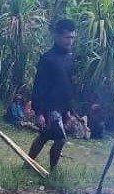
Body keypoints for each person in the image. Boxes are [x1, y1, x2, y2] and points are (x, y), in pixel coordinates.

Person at [28, 19, 76, 169]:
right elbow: (39, 87)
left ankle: (27, 164)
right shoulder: (48, 59)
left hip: (62, 107)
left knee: (44, 136)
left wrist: (69, 110)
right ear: (57, 37)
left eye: (72, 37)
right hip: (49, 107)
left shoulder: (70, 57)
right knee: (61, 139)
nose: (70, 41)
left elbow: (68, 86)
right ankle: (53, 171)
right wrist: (39, 112)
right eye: (67, 37)